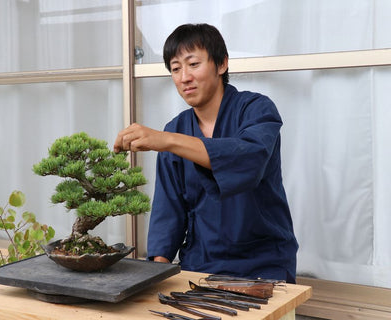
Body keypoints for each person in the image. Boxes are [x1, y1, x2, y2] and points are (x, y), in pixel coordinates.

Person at [114, 23, 298, 283]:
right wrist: (157, 273)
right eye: (175, 69)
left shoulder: (256, 109)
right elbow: (168, 210)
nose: (184, 77)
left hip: (264, 265)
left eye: (193, 64)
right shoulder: (175, 130)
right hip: (200, 266)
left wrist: (166, 140)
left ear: (221, 64)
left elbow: (249, 159)